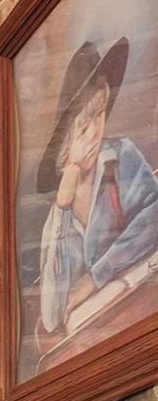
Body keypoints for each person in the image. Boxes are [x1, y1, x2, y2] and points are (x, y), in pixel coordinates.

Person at [36, 37, 158, 338]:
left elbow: (155, 216)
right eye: (83, 124)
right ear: (67, 137)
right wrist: (64, 204)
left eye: (100, 114)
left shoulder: (121, 157)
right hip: (102, 330)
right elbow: (52, 316)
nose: (95, 133)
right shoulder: (58, 217)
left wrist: (95, 277)